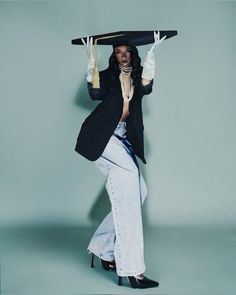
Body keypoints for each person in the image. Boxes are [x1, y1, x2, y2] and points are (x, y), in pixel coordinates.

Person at [75, 31, 166, 289]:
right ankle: (132, 269)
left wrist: (152, 56)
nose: (123, 56)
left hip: (123, 138)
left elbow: (147, 85)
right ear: (113, 56)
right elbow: (95, 94)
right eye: (118, 52)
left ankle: (102, 248)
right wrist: (91, 62)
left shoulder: (136, 77)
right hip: (101, 137)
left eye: (127, 52)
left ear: (132, 54)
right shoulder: (107, 77)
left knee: (139, 191)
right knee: (127, 188)